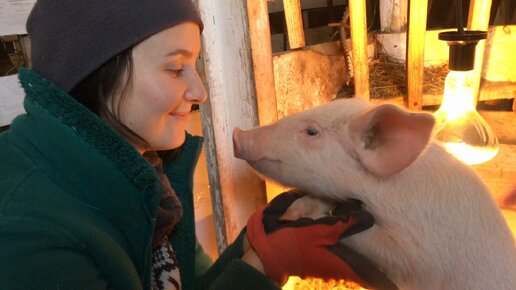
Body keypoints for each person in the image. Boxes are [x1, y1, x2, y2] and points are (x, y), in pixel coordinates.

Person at [0, 1, 396, 289]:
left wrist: (261, 234)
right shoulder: (24, 229)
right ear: (98, 72)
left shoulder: (145, 176)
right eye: (176, 68)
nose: (199, 91)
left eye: (195, 67)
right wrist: (268, 262)